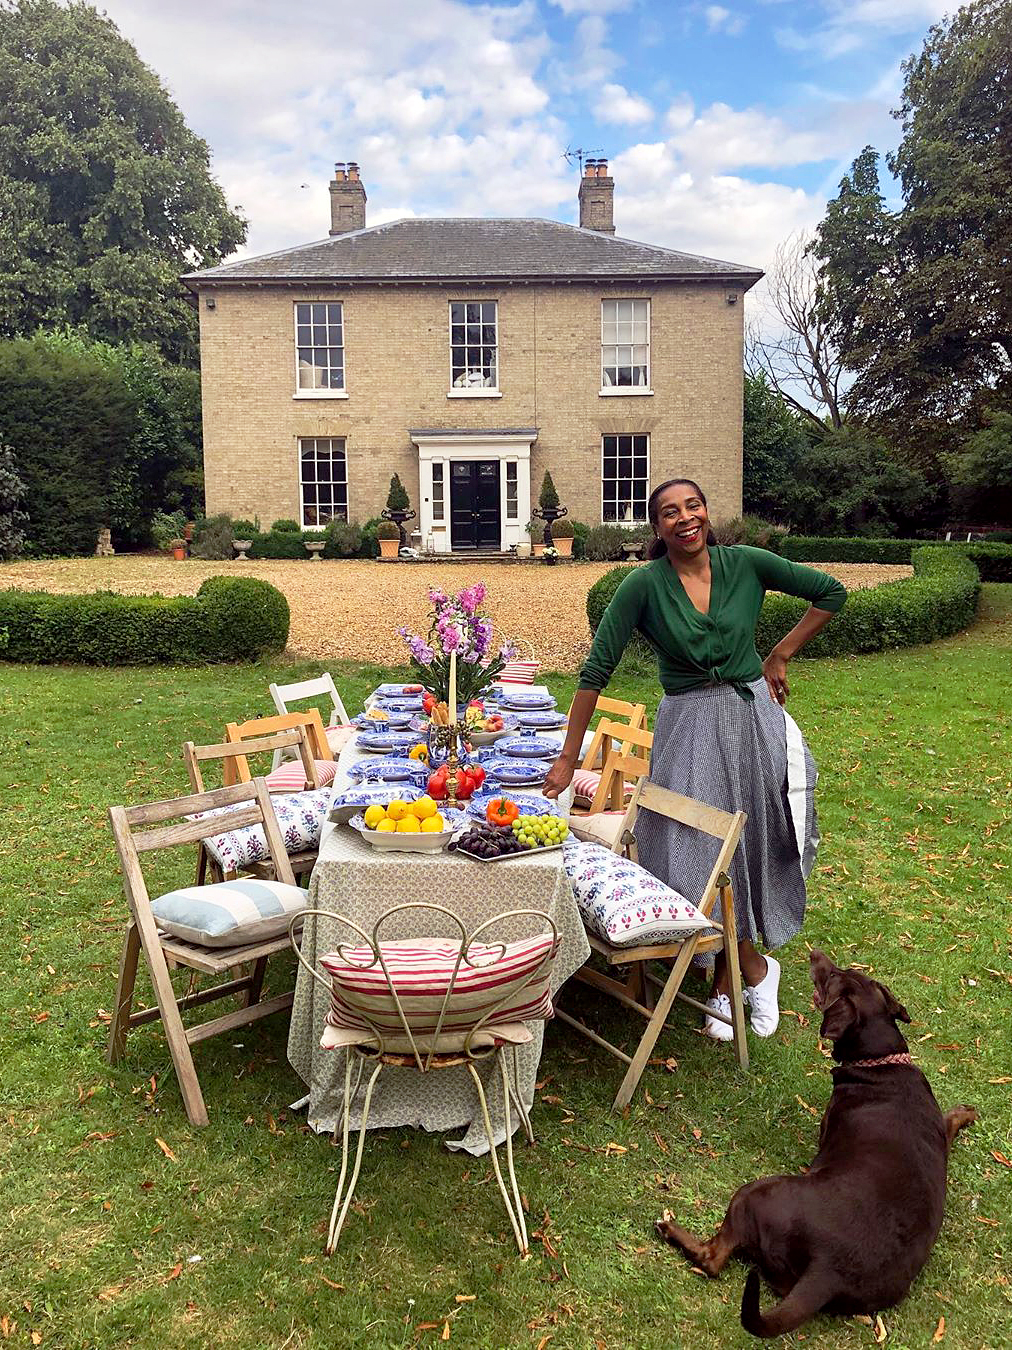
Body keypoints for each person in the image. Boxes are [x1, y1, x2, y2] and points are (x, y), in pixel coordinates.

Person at [542, 479, 846, 1040]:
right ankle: (751, 967)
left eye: (693, 506)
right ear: (656, 528)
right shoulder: (643, 586)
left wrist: (780, 651)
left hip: (753, 720)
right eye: (669, 512)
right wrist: (566, 757)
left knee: (749, 843)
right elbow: (594, 670)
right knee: (692, 849)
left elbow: (830, 592)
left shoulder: (747, 564)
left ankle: (726, 985)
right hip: (688, 727)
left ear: (707, 510)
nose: (685, 518)